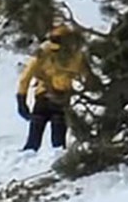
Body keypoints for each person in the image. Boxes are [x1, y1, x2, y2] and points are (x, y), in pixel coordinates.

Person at [16, 23, 93, 151]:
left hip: (47, 98)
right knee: (56, 142)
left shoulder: (44, 53)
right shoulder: (74, 55)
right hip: (57, 98)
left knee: (36, 139)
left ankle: (31, 155)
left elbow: (25, 77)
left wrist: (21, 98)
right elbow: (88, 76)